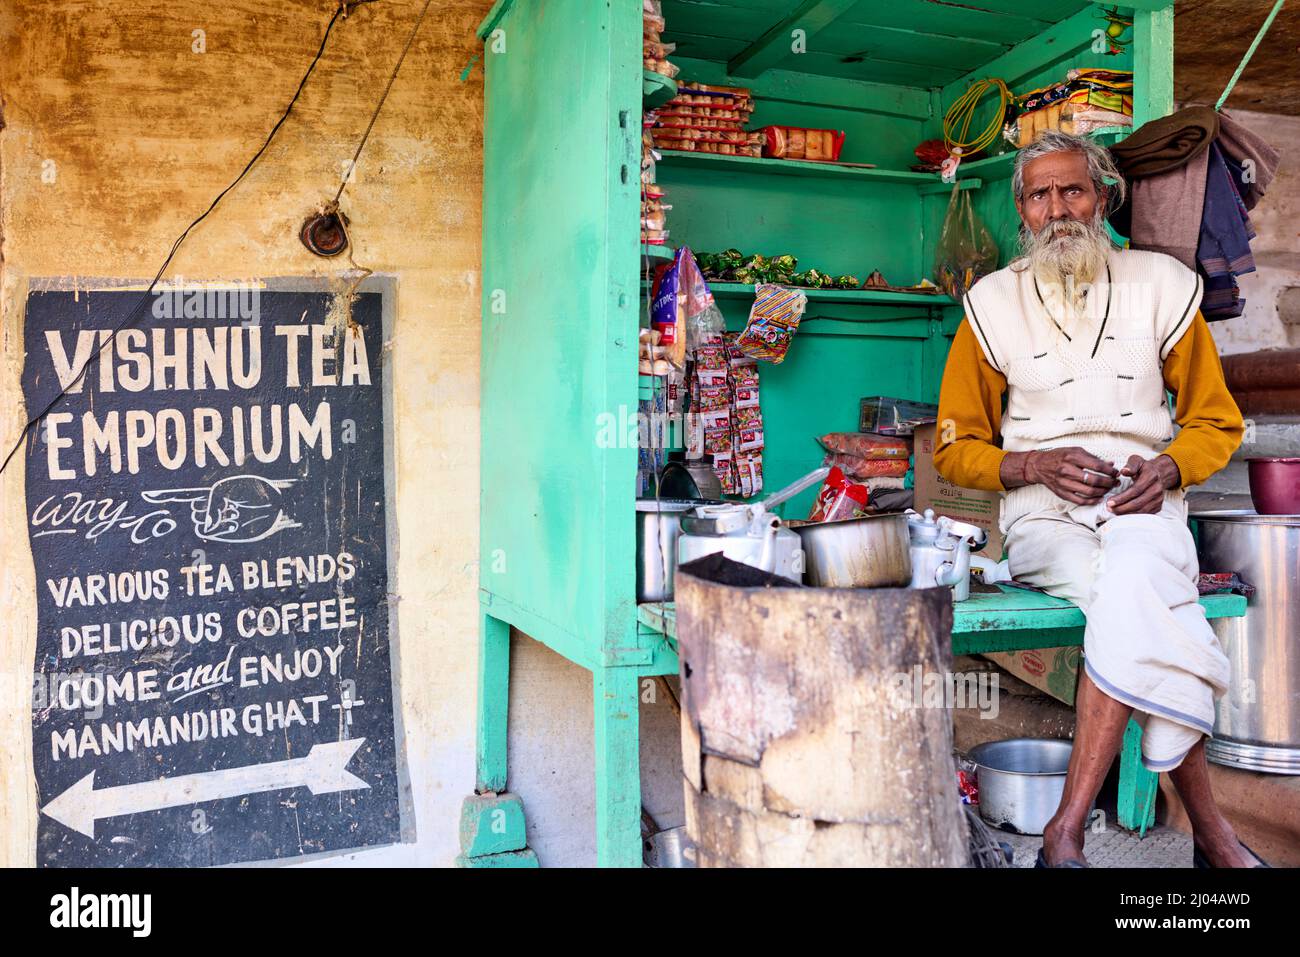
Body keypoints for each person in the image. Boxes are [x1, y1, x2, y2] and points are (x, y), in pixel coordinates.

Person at [934, 129, 1263, 867]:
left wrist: (1171, 469)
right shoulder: (990, 303)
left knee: (1132, 584)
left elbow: (1217, 422)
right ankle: (1211, 834)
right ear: (1021, 209)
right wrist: (1034, 465)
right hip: (1043, 518)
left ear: (1104, 197)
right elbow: (956, 445)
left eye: (1073, 190)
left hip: (1144, 506)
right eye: (1041, 195)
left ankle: (1066, 829)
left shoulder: (1163, 287)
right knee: (1139, 598)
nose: (1059, 210)